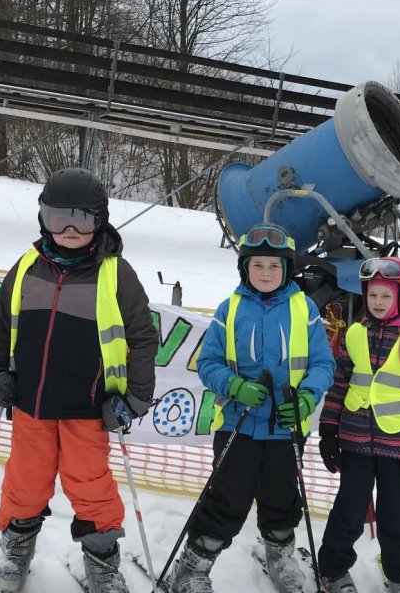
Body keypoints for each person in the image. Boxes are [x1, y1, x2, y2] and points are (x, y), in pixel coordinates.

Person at [0, 168, 159, 593]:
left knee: (92, 488)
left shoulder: (116, 273)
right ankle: (16, 550)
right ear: (43, 219)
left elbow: (142, 338)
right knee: (25, 483)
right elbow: (0, 325)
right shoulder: (26, 267)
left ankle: (102, 564)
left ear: (101, 219)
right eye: (59, 218)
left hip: (88, 409)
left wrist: (133, 399)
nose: (71, 229)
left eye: (82, 218)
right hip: (31, 407)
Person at [167, 223, 336, 593]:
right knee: (227, 497)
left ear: (287, 270)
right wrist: (236, 387)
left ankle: (279, 555)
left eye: (274, 266)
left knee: (282, 496)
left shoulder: (303, 308)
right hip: (237, 425)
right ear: (245, 268)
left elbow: (324, 364)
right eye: (258, 265)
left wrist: (307, 396)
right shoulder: (230, 309)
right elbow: (208, 363)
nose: (265, 273)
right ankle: (194, 565)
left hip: (286, 425)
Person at [315, 257, 400, 593]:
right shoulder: (355, 333)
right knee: (349, 509)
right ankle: (332, 569)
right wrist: (328, 431)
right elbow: (339, 385)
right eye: (372, 296)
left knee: (394, 515)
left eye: (386, 296)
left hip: (398, 446)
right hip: (355, 441)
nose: (378, 303)